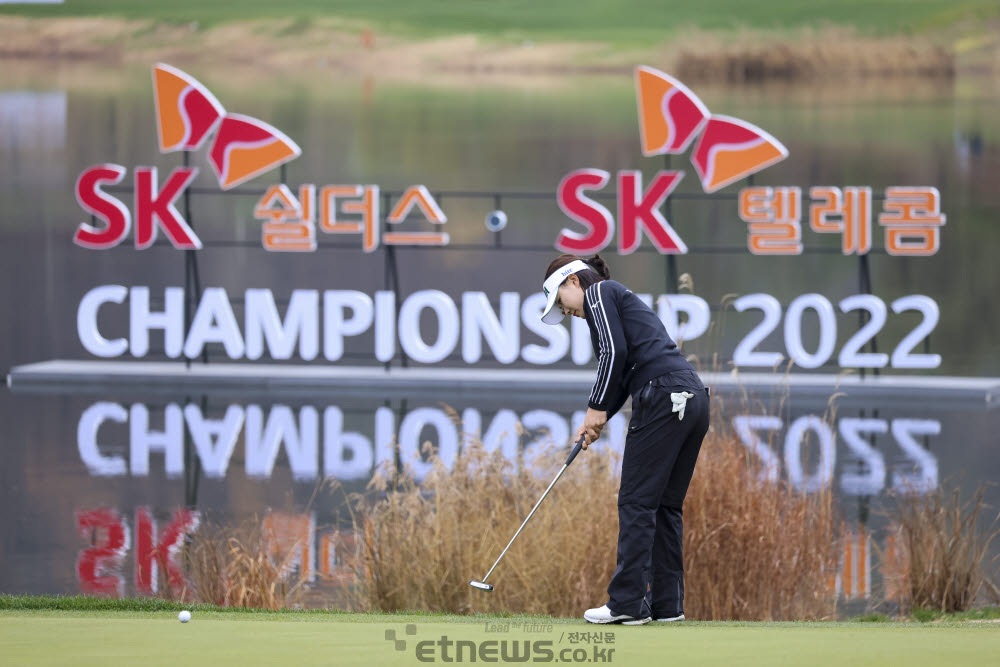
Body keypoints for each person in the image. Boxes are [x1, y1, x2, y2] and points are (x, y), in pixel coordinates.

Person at [540, 253, 710, 625]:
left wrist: (594, 407)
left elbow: (613, 354)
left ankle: (627, 604)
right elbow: (624, 370)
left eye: (560, 302)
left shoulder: (598, 292)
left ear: (573, 283)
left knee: (636, 502)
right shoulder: (614, 299)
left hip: (664, 397)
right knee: (664, 507)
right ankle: (667, 607)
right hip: (691, 398)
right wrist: (598, 420)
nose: (564, 312)